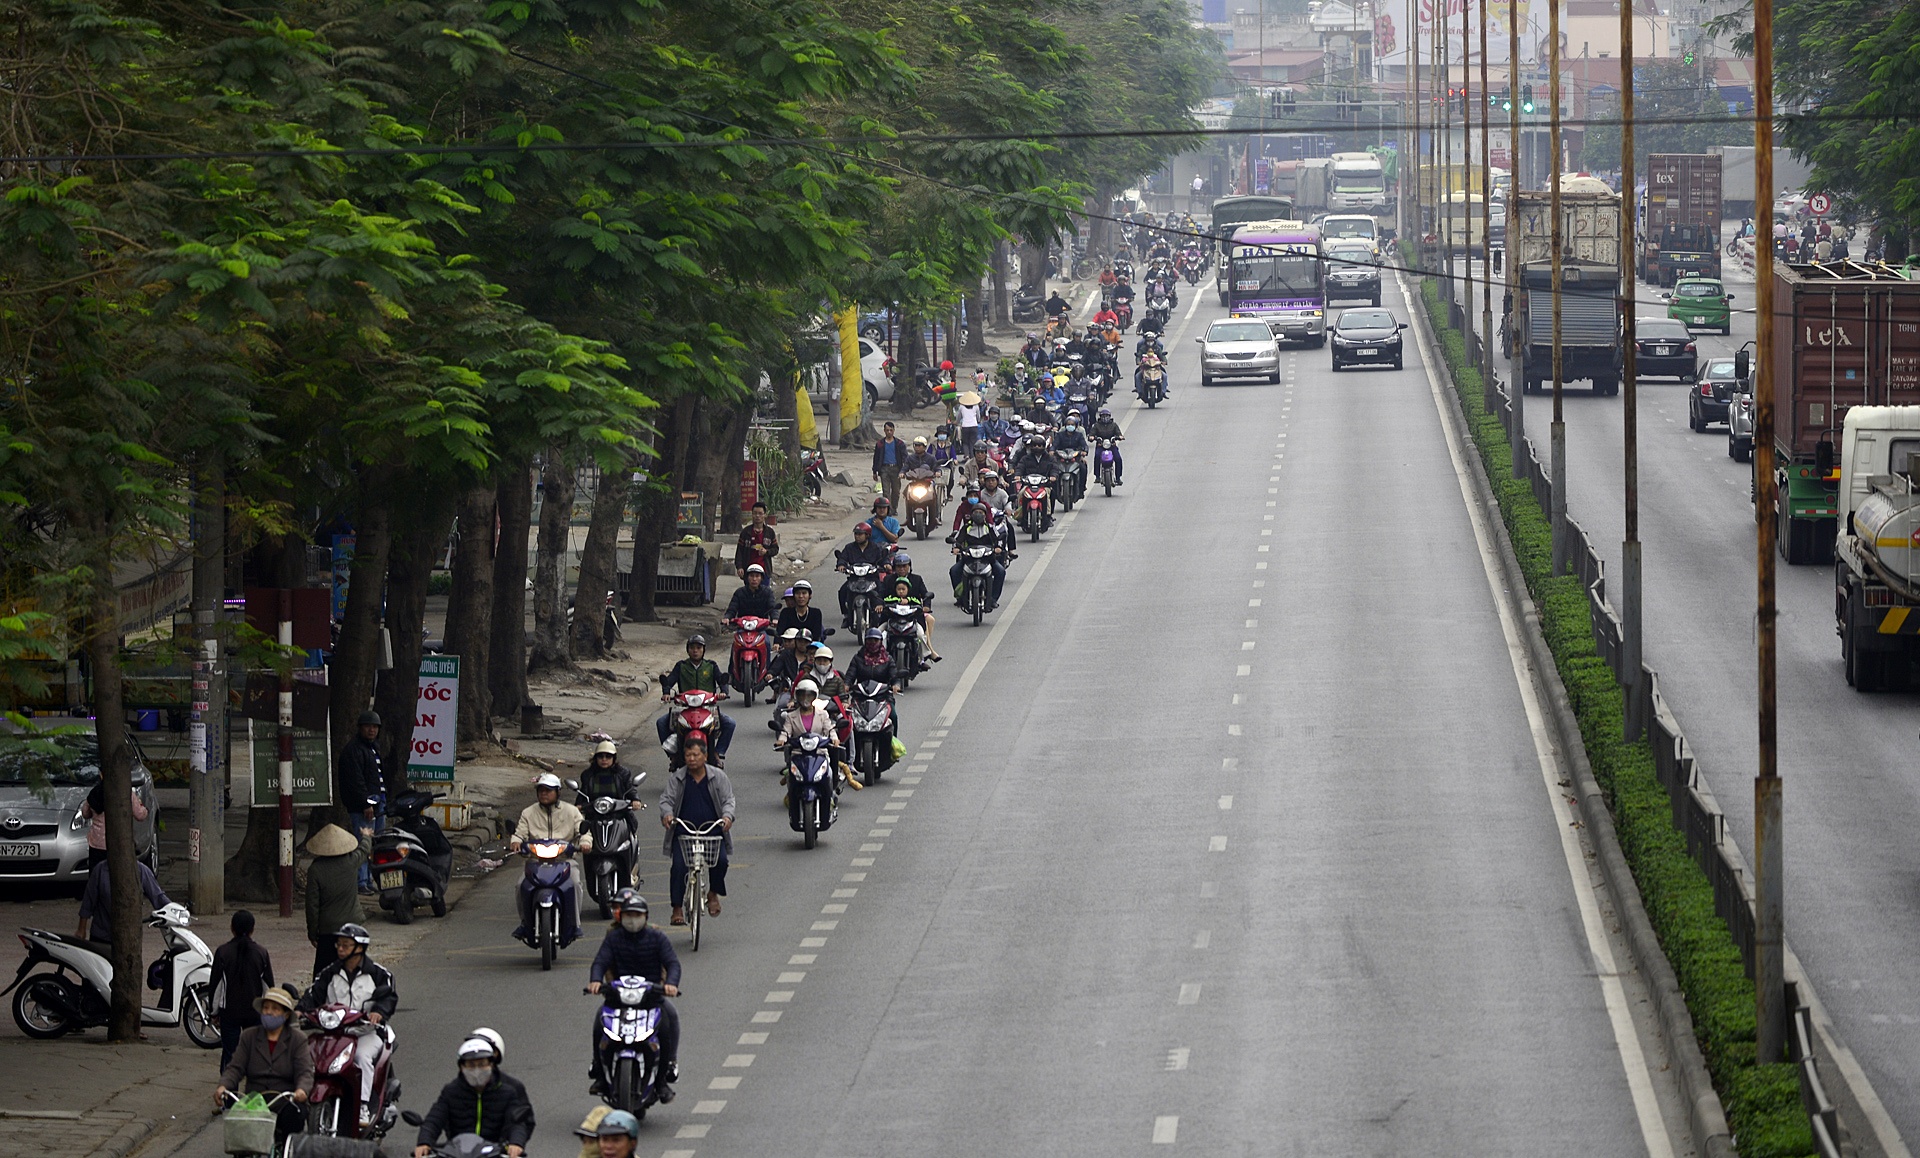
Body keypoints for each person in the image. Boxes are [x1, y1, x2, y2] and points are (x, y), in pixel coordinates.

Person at [586, 889, 681, 1099]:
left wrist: (670, 984)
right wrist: (595, 981)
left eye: (637, 916)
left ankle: (664, 1078)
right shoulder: (614, 938)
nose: (632, 920)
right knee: (599, 1022)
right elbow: (600, 961)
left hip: (650, 997)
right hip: (618, 996)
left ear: (645, 917)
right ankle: (600, 1073)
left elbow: (673, 963)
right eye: (629, 916)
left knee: (668, 1019)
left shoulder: (657, 937)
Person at [298, 923, 396, 1127]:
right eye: (339, 944)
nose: (340, 948)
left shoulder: (378, 974)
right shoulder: (329, 973)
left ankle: (363, 1106)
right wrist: (300, 1010)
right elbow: (313, 995)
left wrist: (378, 1012)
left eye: (345, 945)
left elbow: (388, 997)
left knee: (361, 1058)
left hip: (366, 1033)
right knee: (309, 1056)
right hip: (335, 1034)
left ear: (359, 948)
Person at [215, 986, 312, 1146]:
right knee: (238, 1135)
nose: (269, 1012)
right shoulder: (249, 1036)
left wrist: (301, 1090)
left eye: (275, 1009)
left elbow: (305, 1072)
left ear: (286, 1014)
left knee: (295, 1115)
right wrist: (223, 1086)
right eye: (266, 1008)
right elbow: (235, 1067)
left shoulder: (297, 1039)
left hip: (285, 1101)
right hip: (255, 1101)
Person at [415, 1034, 534, 1158]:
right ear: (462, 1067)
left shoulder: (507, 1092)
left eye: (482, 1064)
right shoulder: (451, 1091)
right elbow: (434, 1119)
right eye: (471, 1065)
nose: (477, 1070)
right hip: (456, 1153)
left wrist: (516, 1143)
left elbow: (516, 1123)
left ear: (491, 1065)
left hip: (494, 1153)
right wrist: (424, 1141)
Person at [657, 738, 735, 925]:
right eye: (688, 755)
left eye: (695, 755)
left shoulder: (718, 777)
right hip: (684, 832)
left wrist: (727, 817)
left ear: (705, 756)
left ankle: (713, 893)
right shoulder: (678, 778)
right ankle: (677, 909)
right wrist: (667, 815)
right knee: (678, 867)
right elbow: (666, 800)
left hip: (712, 830)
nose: (691, 759)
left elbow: (728, 800)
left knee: (722, 861)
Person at [509, 773, 591, 944]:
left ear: (558, 792)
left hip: (564, 860)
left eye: (548, 790)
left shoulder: (571, 811)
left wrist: (584, 843)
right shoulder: (528, 812)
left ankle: (575, 925)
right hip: (535, 861)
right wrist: (516, 842)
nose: (544, 794)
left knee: (575, 885)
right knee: (520, 886)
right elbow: (520, 832)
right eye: (541, 790)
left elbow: (583, 831)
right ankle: (525, 923)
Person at [211, 909, 275, 1070]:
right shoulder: (261, 953)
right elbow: (268, 986)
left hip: (229, 1012)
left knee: (230, 1054)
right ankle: (255, 1090)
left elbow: (216, 985)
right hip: (254, 1012)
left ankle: (228, 1091)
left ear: (232, 928)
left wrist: (213, 1012)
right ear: (253, 929)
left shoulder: (222, 952)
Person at [302, 823, 369, 978]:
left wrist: (312, 932)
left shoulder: (315, 870)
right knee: (352, 969)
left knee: (323, 973)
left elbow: (312, 905)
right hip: (353, 925)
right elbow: (364, 849)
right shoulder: (351, 861)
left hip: (328, 930)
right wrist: (366, 835)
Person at [655, 635, 735, 761]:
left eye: (699, 648)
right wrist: (666, 692)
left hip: (708, 707)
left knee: (730, 724)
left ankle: (717, 753)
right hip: (684, 708)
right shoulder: (681, 666)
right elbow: (669, 681)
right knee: (661, 723)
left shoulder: (711, 666)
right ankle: (673, 755)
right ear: (688, 650)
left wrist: (723, 692)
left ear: (704, 650)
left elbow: (721, 680)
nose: (695, 651)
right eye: (692, 648)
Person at [578, 741, 644, 880]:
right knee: (582, 833)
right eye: (600, 756)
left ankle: (632, 866)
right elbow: (582, 794)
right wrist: (579, 805)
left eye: (608, 756)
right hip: (594, 814)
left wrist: (635, 800)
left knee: (631, 829)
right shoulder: (587, 775)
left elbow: (629, 789)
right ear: (595, 758)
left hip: (619, 813)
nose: (604, 759)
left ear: (614, 758)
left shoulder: (623, 773)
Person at [335, 711, 385, 893]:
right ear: (360, 728)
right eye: (368, 726)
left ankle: (370, 879)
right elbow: (356, 781)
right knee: (363, 842)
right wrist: (366, 803)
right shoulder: (354, 750)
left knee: (374, 843)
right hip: (364, 806)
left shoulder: (373, 748)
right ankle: (361, 881)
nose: (372, 730)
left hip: (378, 803)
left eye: (375, 727)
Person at [76, 856, 170, 946]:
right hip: (101, 934)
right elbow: (88, 902)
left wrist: (174, 909)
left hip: (129, 936)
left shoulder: (141, 870)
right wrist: (81, 929)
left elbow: (158, 897)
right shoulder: (100, 870)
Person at [81, 779, 148, 870]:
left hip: (96, 843)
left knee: (97, 874)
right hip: (120, 842)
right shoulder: (125, 793)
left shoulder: (94, 793)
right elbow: (140, 815)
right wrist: (144, 809)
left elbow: (85, 813)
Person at [949, 505, 1008, 608]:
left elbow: (998, 539)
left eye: (981, 512)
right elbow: (958, 540)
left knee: (1000, 571)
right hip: (968, 559)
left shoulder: (989, 527)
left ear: (985, 515)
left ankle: (993, 599)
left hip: (988, 558)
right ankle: (961, 597)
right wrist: (956, 548)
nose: (978, 514)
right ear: (971, 514)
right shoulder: (966, 527)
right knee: (954, 571)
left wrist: (998, 547)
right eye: (976, 512)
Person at [878, 579, 939, 665]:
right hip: (892, 623)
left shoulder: (913, 599)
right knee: (877, 633)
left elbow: (919, 605)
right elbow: (885, 603)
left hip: (911, 623)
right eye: (899, 589)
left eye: (903, 589)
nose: (901, 591)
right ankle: (878, 657)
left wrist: (910, 602)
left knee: (920, 635)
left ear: (908, 590)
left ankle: (922, 658)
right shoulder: (890, 598)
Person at [733, 501, 779, 576]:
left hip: (764, 571)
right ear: (752, 514)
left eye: (760, 513)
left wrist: (766, 551)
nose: (757, 516)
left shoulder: (769, 532)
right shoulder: (746, 532)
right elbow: (739, 551)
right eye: (755, 513)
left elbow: (775, 549)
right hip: (748, 571)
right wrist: (739, 567)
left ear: (765, 515)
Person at [871, 421, 906, 510]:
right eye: (887, 430)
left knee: (896, 491)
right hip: (884, 469)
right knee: (886, 491)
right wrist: (874, 471)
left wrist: (904, 470)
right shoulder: (880, 444)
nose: (889, 432)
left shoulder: (899, 444)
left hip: (896, 469)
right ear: (884, 431)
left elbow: (905, 457)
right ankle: (888, 509)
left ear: (894, 430)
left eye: (891, 430)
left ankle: (894, 508)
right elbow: (876, 458)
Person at [1090, 407, 1126, 485]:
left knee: (1118, 459)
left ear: (1110, 417)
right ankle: (1097, 476)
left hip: (1111, 445)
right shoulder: (1096, 425)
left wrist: (1119, 437)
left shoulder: (1114, 425)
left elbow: (1118, 433)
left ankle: (1118, 477)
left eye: (1107, 416)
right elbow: (1091, 434)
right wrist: (1092, 437)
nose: (1105, 418)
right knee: (1097, 456)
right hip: (1101, 445)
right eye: (1103, 416)